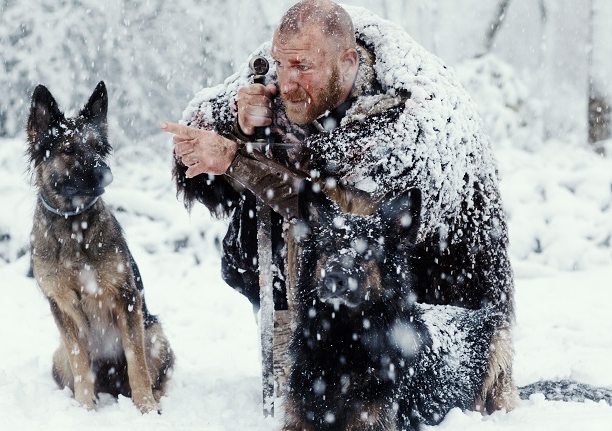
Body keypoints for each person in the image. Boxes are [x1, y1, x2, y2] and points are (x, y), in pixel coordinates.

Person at [160, 0, 518, 413]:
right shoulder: (282, 68)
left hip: (419, 287)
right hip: (323, 286)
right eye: (281, 64)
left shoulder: (409, 113)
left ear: (347, 62)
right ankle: (293, 341)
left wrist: (238, 161)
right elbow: (199, 132)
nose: (287, 81)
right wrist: (235, 123)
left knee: (348, 243)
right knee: (254, 222)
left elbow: (341, 215)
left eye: (302, 68)